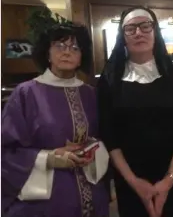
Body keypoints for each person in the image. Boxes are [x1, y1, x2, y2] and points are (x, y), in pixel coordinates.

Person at [2, 20, 109, 217]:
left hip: (91, 193)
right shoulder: (26, 93)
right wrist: (49, 158)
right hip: (45, 200)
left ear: (81, 56)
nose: (67, 52)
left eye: (75, 47)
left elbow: (103, 137)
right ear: (47, 53)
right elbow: (6, 150)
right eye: (59, 46)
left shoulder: (90, 93)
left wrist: (92, 149)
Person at [97, 6, 173, 217]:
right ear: (122, 36)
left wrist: (167, 182)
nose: (138, 32)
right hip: (129, 177)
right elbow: (109, 135)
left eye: (145, 26)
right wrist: (133, 182)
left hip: (170, 175)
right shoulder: (110, 78)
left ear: (155, 32)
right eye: (130, 28)